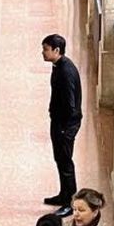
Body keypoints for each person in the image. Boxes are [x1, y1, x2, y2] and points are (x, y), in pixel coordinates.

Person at [41, 34, 82, 206]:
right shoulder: (58, 66)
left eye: (46, 49)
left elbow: (70, 105)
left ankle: (70, 202)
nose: (43, 53)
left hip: (65, 125)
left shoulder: (65, 71)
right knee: (60, 159)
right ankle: (64, 194)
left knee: (65, 162)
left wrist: (65, 129)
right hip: (59, 122)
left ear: (57, 50)